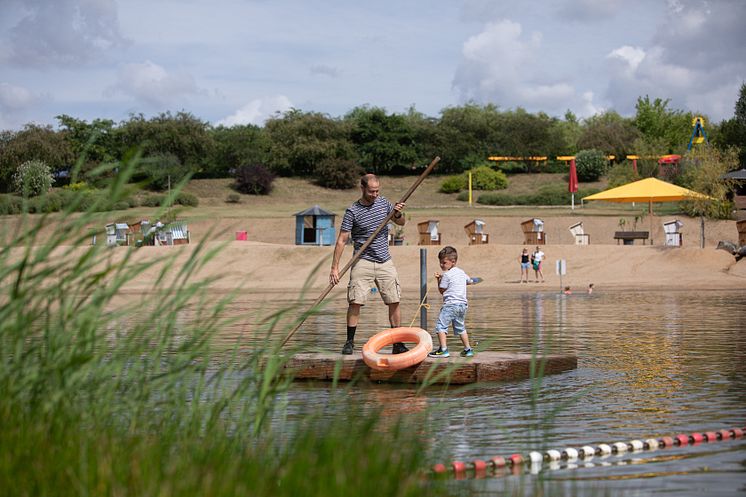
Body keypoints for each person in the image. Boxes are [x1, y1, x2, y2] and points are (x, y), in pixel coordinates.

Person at [330, 173, 407, 355]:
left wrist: (397, 213)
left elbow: (401, 222)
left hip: (384, 261)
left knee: (394, 300)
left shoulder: (384, 203)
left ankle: (397, 343)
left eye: (377, 191)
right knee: (355, 301)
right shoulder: (352, 211)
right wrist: (335, 268)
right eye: (371, 191)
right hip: (361, 261)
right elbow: (342, 240)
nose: (375, 195)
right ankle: (349, 342)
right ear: (362, 188)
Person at [428, 246, 475, 358]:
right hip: (462, 305)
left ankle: (443, 349)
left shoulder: (447, 275)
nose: (441, 265)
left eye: (444, 262)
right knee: (461, 328)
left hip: (450, 305)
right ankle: (468, 349)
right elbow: (469, 281)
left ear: (453, 262)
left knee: (441, 326)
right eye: (440, 262)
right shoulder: (462, 272)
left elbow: (441, 290)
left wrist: (438, 280)